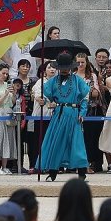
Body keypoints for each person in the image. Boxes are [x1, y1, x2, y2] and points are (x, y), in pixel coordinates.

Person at [37, 53, 90, 182]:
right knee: (56, 142)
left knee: (76, 143)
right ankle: (53, 171)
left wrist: (82, 113)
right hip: (59, 114)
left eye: (67, 67)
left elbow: (84, 99)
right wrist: (44, 99)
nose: (65, 70)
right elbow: (45, 94)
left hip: (73, 114)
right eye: (62, 67)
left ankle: (82, 172)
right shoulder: (53, 81)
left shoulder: (78, 81)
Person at [75, 53, 104, 173]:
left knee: (90, 139)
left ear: (86, 62)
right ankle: (78, 164)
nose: (80, 64)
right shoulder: (73, 76)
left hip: (91, 111)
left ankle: (90, 163)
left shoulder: (92, 76)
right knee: (78, 139)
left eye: (83, 62)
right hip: (75, 110)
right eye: (78, 62)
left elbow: (96, 93)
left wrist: (88, 91)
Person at [28, 60, 57, 173]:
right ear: (45, 70)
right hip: (40, 116)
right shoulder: (40, 82)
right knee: (38, 141)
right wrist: (44, 100)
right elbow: (39, 96)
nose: (52, 69)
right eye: (49, 67)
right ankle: (36, 165)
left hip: (53, 116)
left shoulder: (58, 82)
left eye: (54, 68)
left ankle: (52, 166)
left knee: (52, 141)